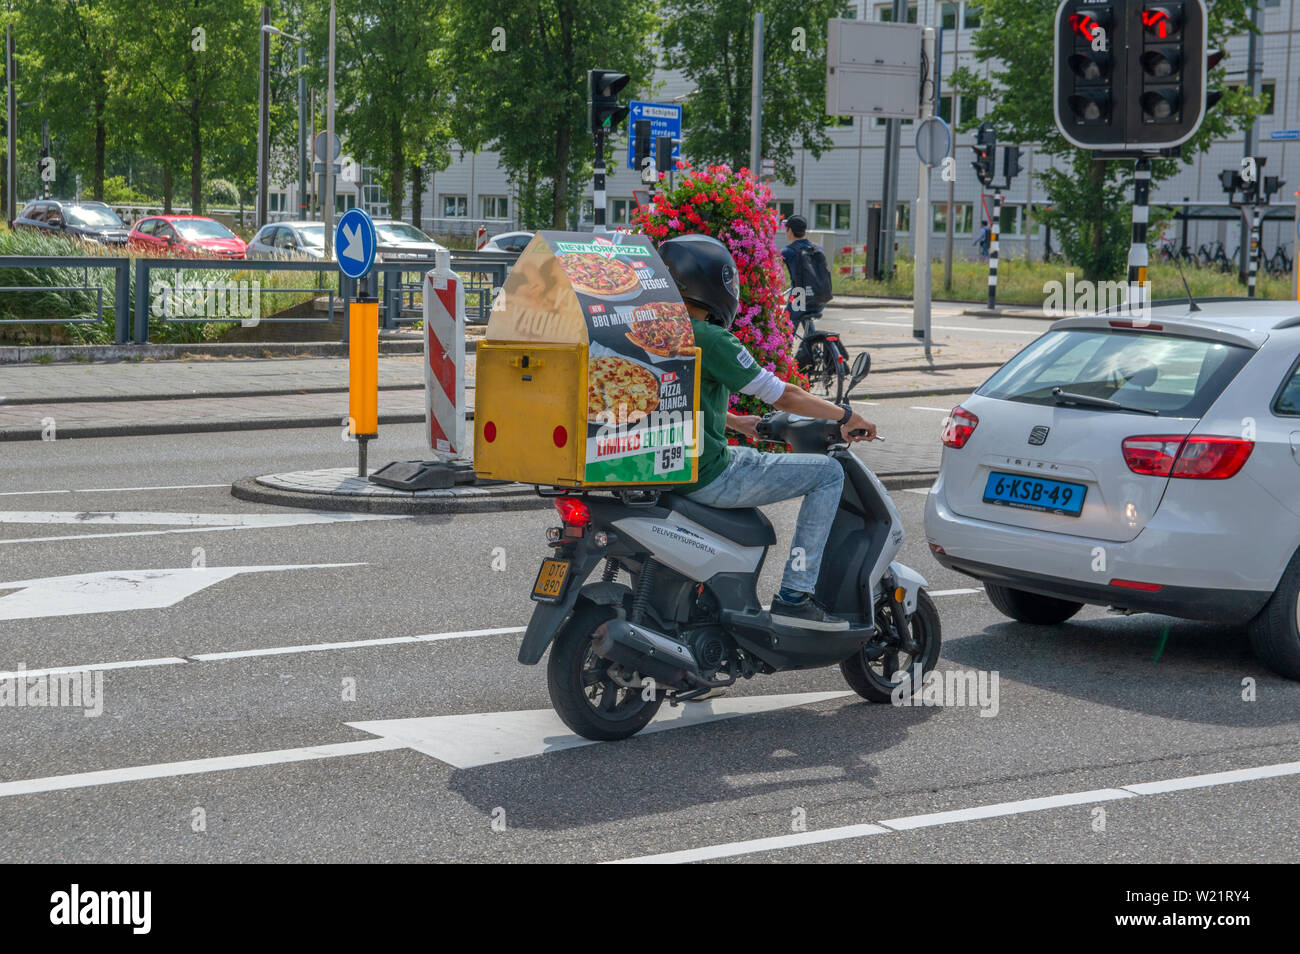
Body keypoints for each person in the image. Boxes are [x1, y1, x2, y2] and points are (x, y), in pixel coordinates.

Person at [658, 234, 878, 632]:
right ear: (713, 284)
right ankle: (796, 596)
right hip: (708, 474)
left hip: (669, 468)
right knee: (829, 474)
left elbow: (673, 396)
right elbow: (787, 397)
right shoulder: (710, 338)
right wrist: (845, 415)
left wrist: (733, 421)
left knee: (754, 456)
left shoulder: (656, 333)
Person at [779, 215, 825, 370]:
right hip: (820, 298)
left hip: (799, 296)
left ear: (789, 230)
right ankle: (815, 351)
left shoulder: (788, 251)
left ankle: (782, 365)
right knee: (807, 321)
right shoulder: (818, 248)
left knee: (785, 331)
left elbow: (772, 269)